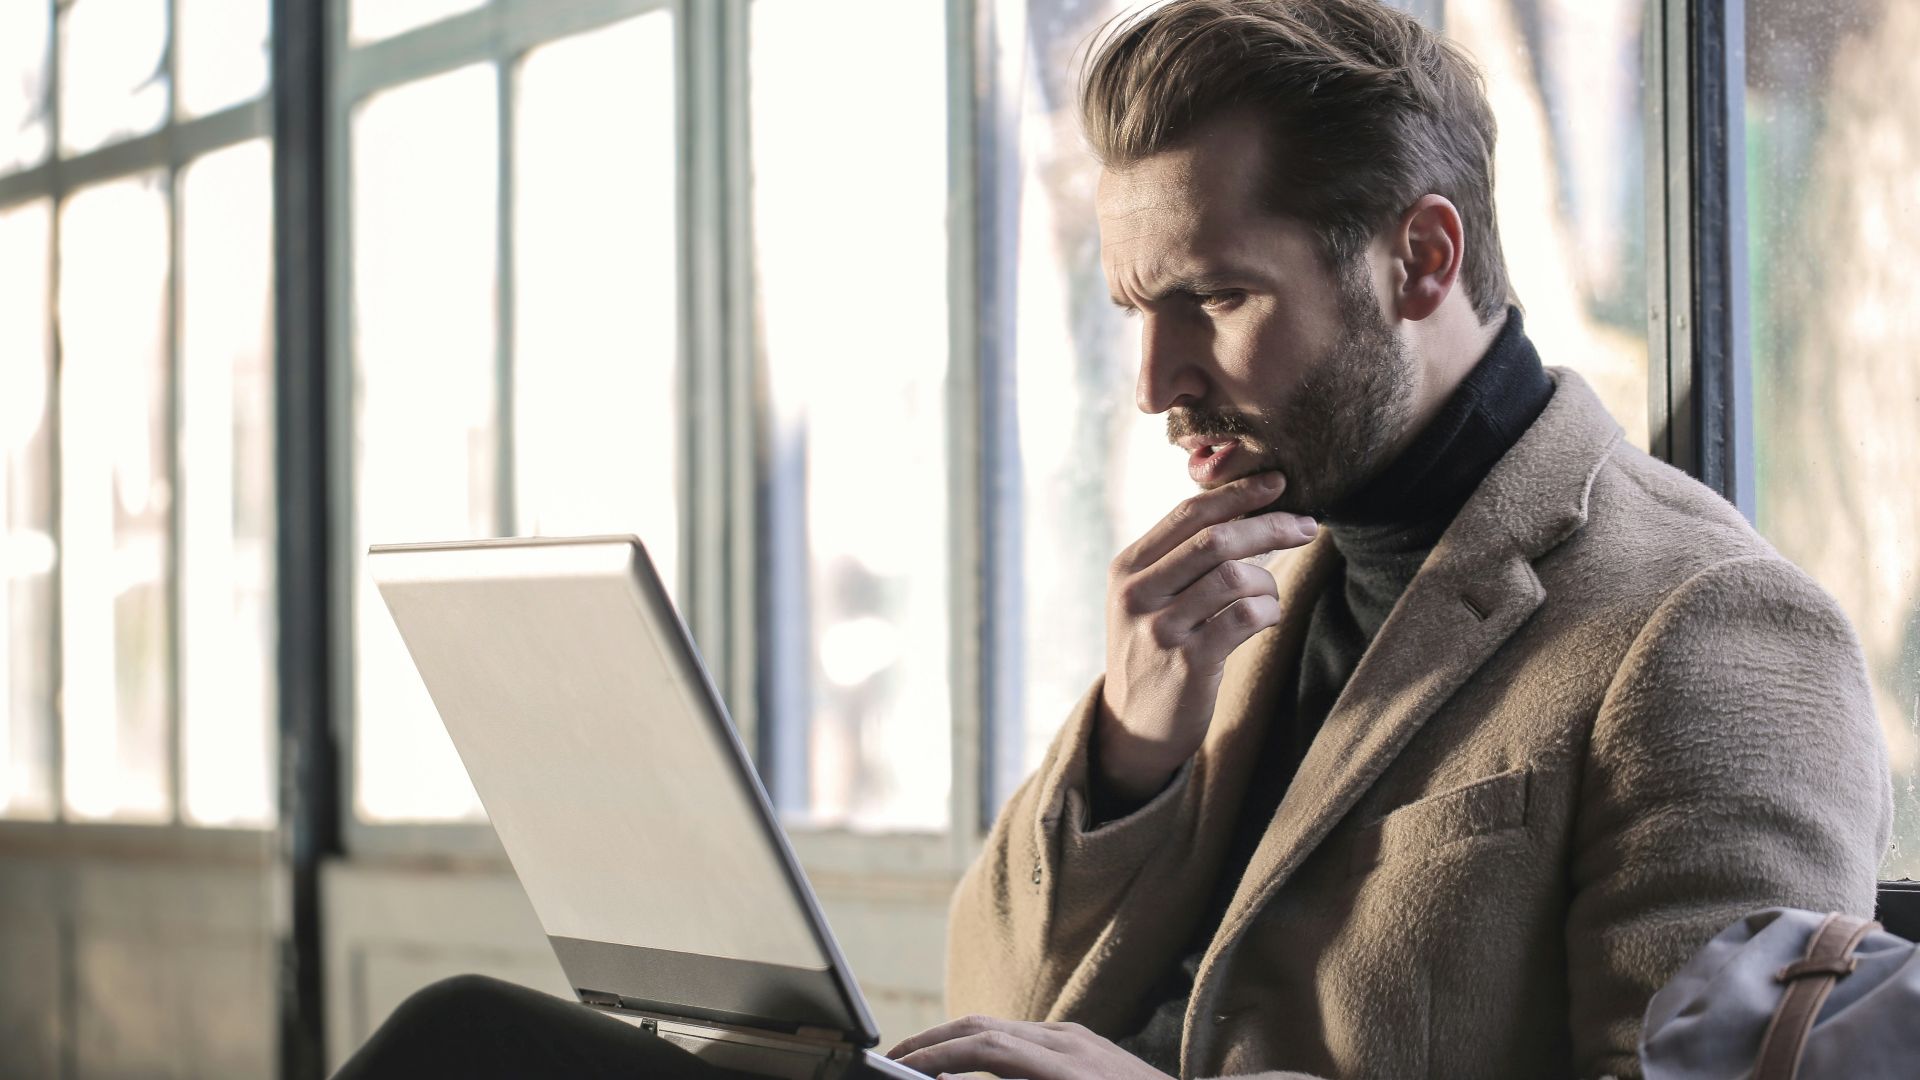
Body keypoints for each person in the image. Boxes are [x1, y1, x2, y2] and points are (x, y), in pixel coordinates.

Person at [334, 2, 1891, 1078]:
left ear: (1421, 258)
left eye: (1214, 300)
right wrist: (1137, 749)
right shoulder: (1254, 578)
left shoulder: (1707, 627)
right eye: (1136, 315)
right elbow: (991, 1010)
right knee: (471, 1043)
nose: (1156, 388)